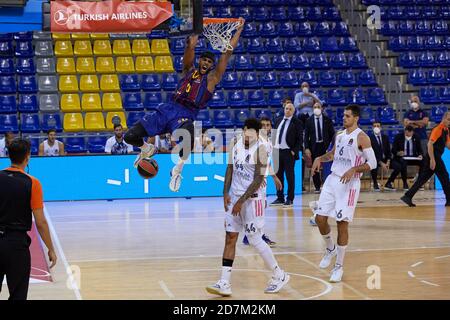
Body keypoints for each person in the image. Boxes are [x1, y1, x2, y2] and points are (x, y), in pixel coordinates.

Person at [124, 19, 245, 192]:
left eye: (210, 62)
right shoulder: (189, 69)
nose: (206, 63)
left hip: (186, 114)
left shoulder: (212, 79)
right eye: (204, 60)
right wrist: (194, 31)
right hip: (168, 108)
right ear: (200, 61)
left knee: (188, 137)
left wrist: (238, 30)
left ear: (212, 66)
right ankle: (147, 148)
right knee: (130, 136)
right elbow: (190, 46)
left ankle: (177, 170)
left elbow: (227, 53)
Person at [206, 118, 290, 296]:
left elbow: (259, 179)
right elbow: (230, 167)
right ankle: (224, 282)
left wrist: (240, 201)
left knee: (255, 239)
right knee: (230, 237)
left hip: (252, 199)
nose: (247, 136)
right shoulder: (235, 142)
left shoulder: (261, 149)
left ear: (257, 134)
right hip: (235, 197)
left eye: (250, 134)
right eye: (245, 132)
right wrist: (225, 193)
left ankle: (279, 274)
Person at [310, 104, 376, 282]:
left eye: (347, 116)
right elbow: (332, 154)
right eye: (344, 116)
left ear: (356, 118)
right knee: (319, 218)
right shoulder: (339, 135)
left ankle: (338, 266)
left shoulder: (362, 138)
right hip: (333, 179)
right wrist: (319, 158)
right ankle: (330, 248)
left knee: (342, 224)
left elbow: (373, 163)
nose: (344, 118)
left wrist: (354, 169)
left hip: (349, 184)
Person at [0, 139, 57, 300]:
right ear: (27, 157)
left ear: (8, 156)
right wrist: (51, 248)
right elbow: (40, 222)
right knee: (18, 295)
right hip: (16, 245)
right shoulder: (33, 183)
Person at [242, 116, 281, 247]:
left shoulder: (268, 141)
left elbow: (266, 162)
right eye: (263, 125)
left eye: (267, 125)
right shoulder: (258, 142)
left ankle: (251, 235)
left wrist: (273, 177)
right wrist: (258, 178)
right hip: (257, 180)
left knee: (260, 207)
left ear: (271, 127)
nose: (265, 127)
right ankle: (256, 235)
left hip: (262, 178)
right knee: (257, 208)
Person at [401, 112, 450, 207]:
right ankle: (449, 200)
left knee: (423, 179)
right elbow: (429, 144)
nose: (449, 122)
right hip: (433, 156)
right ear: (443, 119)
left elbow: (448, 145)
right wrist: (432, 159)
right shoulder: (438, 129)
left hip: (436, 156)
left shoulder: (446, 130)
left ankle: (407, 196)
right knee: (444, 177)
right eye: (448, 119)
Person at [304, 102, 335, 193]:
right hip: (314, 146)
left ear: (322, 108)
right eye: (315, 107)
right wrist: (307, 148)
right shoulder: (309, 120)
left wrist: (332, 146)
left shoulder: (327, 120)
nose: (316, 108)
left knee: (328, 165)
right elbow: (306, 136)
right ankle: (317, 187)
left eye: (318, 107)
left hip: (326, 146)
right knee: (315, 166)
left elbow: (332, 134)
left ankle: (329, 185)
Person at [384, 125, 423, 191]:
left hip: (413, 157)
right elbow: (393, 150)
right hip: (401, 157)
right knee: (403, 163)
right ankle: (405, 183)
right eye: (408, 132)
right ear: (405, 131)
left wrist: (420, 155)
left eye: (411, 132)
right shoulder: (398, 137)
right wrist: (398, 153)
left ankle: (419, 183)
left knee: (423, 162)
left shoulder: (416, 137)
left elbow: (420, 149)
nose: (410, 134)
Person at [369, 122, 391, 191]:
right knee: (374, 165)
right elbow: (372, 153)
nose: (376, 127)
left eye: (378, 126)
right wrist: (381, 163)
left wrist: (388, 161)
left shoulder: (385, 137)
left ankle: (389, 183)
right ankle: (375, 183)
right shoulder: (370, 138)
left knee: (398, 166)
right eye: (374, 126)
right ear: (372, 128)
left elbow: (388, 150)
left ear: (381, 128)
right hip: (375, 159)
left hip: (385, 159)